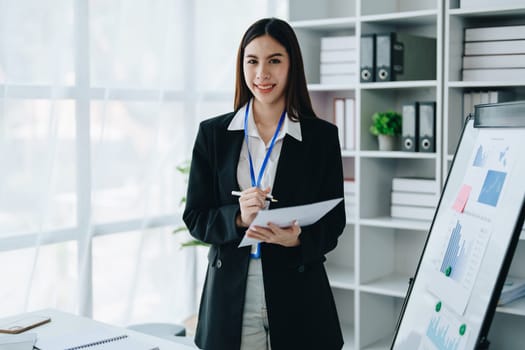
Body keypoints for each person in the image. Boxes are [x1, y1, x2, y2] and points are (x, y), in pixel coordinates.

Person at [183, 17, 346, 350]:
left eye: (274, 61)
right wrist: (238, 218)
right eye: (252, 61)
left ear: (292, 65)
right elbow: (196, 217)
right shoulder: (213, 135)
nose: (262, 74)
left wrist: (298, 239)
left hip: (298, 289)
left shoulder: (321, 138)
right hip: (232, 293)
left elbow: (334, 221)